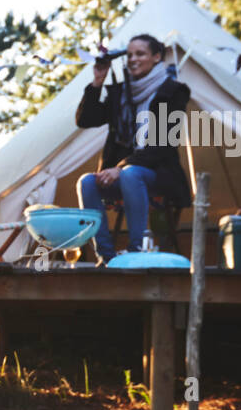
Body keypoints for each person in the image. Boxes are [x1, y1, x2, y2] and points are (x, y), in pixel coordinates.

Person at [75, 34, 191, 263]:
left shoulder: (174, 91)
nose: (133, 59)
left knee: (131, 173)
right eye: (129, 55)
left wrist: (121, 167)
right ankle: (106, 255)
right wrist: (97, 82)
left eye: (140, 54)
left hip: (158, 172)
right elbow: (86, 120)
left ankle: (136, 251)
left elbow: (164, 143)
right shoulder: (120, 92)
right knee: (87, 182)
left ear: (156, 57)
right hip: (125, 174)